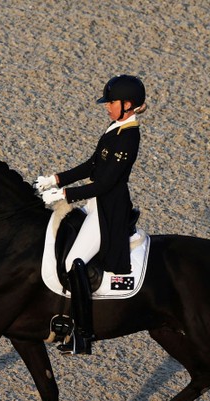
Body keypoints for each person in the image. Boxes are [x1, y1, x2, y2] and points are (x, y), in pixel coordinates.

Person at [36, 74, 146, 355]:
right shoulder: (115, 127)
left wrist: (66, 196)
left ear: (128, 105)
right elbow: (92, 165)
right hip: (95, 204)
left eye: (111, 102)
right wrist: (56, 179)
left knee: (75, 261)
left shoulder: (130, 136)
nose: (107, 107)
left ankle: (81, 334)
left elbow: (106, 183)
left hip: (109, 209)